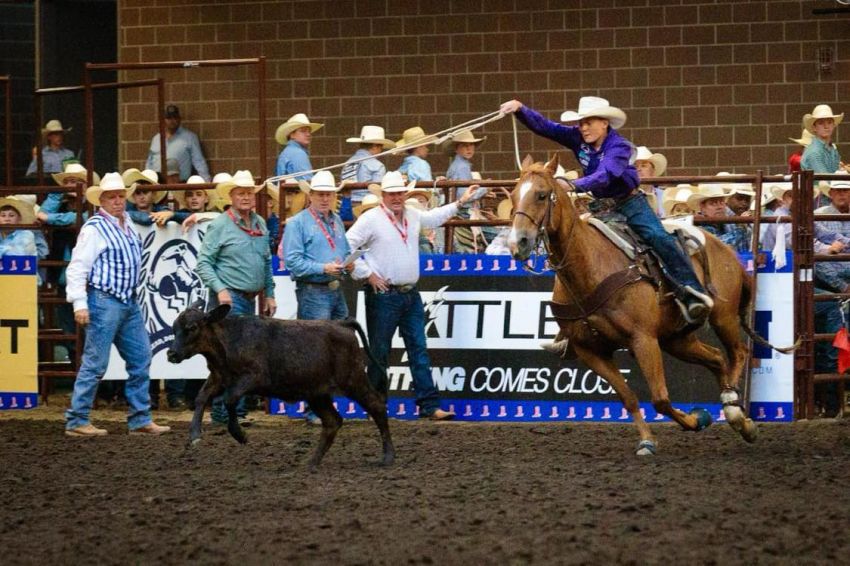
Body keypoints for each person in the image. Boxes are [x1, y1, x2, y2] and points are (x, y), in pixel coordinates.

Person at [500, 96, 713, 322]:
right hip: (601, 208)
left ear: (604, 123)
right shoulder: (577, 138)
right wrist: (520, 110)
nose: (583, 127)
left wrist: (574, 184)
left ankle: (692, 292)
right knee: (574, 245)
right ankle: (572, 325)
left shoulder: (619, 147)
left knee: (657, 236)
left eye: (589, 122)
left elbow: (607, 174)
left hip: (630, 204)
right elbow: (547, 127)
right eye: (581, 123)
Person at [346, 171, 486, 420]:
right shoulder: (371, 219)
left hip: (407, 293)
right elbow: (346, 245)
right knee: (381, 351)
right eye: (392, 193)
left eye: (400, 192)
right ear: (384, 197)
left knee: (417, 348)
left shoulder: (411, 215)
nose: (397, 197)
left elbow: (434, 218)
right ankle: (380, 405)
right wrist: (367, 274)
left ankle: (427, 405)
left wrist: (460, 202)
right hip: (385, 294)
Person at [63, 172, 171, 436]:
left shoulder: (127, 222)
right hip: (105, 299)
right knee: (96, 362)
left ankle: (139, 418)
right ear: (101, 200)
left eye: (121, 196)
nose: (118, 201)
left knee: (141, 357)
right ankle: (77, 419)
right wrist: (79, 302)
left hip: (125, 300)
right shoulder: (94, 228)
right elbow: (78, 267)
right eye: (112, 197)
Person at [196, 170, 276, 427]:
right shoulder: (220, 225)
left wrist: (270, 293)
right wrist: (220, 289)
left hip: (247, 296)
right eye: (240, 192)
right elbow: (204, 263)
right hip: (229, 298)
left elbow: (266, 262)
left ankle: (234, 412)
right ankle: (224, 413)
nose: (246, 197)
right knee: (230, 358)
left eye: (249, 192)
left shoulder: (259, 224)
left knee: (241, 356)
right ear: (230, 196)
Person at [282, 170, 351, 425]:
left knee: (332, 351)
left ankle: (321, 406)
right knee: (317, 353)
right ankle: (315, 409)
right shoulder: (298, 224)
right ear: (311, 196)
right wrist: (323, 268)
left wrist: (348, 263)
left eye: (329, 194)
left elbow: (343, 251)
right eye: (321, 194)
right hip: (314, 290)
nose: (325, 198)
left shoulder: (336, 222)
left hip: (332, 289)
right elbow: (292, 262)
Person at [444, 130, 488, 253]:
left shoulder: (458, 165)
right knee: (496, 233)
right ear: (457, 148)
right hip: (465, 213)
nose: (469, 149)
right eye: (464, 146)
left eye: (471, 145)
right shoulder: (461, 166)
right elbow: (463, 195)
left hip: (462, 210)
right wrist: (485, 189)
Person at [340, 125, 395, 220]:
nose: (380, 151)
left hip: (347, 206)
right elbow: (378, 192)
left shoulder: (348, 163)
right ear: (375, 146)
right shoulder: (377, 165)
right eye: (380, 147)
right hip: (367, 208)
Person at [145, 104, 211, 182]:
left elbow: (199, 162)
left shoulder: (190, 137)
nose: (172, 121)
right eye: (169, 118)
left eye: (175, 117)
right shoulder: (156, 139)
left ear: (180, 119)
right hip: (157, 186)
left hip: (180, 185)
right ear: (163, 120)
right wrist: (146, 182)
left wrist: (206, 182)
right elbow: (149, 163)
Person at [687, 182, 751, 252]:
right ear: (702, 207)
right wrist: (741, 227)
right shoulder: (698, 225)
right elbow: (717, 245)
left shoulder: (730, 223)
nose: (719, 207)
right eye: (713, 203)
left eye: (721, 202)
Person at [274, 113, 323, 180]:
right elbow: (307, 183)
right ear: (292, 135)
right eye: (303, 131)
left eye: (309, 131)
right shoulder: (297, 153)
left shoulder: (288, 151)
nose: (308, 134)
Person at [634, 145, 667, 216]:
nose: (639, 169)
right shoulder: (625, 196)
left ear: (653, 171)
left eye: (644, 166)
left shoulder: (665, 196)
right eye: (635, 166)